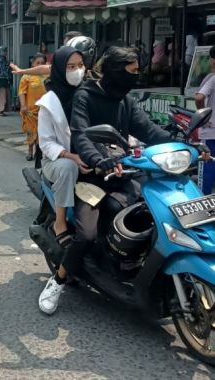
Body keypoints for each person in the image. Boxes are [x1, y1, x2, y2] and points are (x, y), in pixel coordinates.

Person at [38, 46, 173, 315]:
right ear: (115, 70)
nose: (136, 76)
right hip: (91, 177)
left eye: (138, 71)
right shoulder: (85, 96)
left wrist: (184, 144)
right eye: (132, 71)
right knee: (86, 234)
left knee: (155, 214)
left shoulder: (125, 100)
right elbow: (81, 134)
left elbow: (147, 129)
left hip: (121, 171)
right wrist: (98, 159)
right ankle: (59, 280)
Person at [36, 47, 90, 268]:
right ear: (59, 69)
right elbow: (46, 143)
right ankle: (60, 223)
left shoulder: (88, 93)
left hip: (89, 157)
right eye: (70, 67)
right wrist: (73, 156)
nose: (77, 71)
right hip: (57, 161)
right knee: (68, 167)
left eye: (80, 66)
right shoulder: (49, 102)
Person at [19, 53, 48, 160]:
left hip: (44, 109)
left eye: (42, 63)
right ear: (33, 64)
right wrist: (23, 106)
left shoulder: (48, 75)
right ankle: (30, 151)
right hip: (31, 109)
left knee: (42, 131)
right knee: (31, 131)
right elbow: (22, 92)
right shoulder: (26, 76)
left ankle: (39, 152)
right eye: (37, 63)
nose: (40, 65)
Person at [195, 45, 215, 195]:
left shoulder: (213, 78)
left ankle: (203, 201)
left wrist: (202, 115)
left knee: (206, 167)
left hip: (210, 132)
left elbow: (200, 97)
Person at [0, 46, 12, 116]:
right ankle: (0, 110)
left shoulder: (3, 59)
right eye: (3, 51)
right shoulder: (0, 60)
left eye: (6, 51)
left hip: (2, 80)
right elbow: (3, 70)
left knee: (3, 95)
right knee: (1, 96)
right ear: (0, 52)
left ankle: (0, 110)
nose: (5, 52)